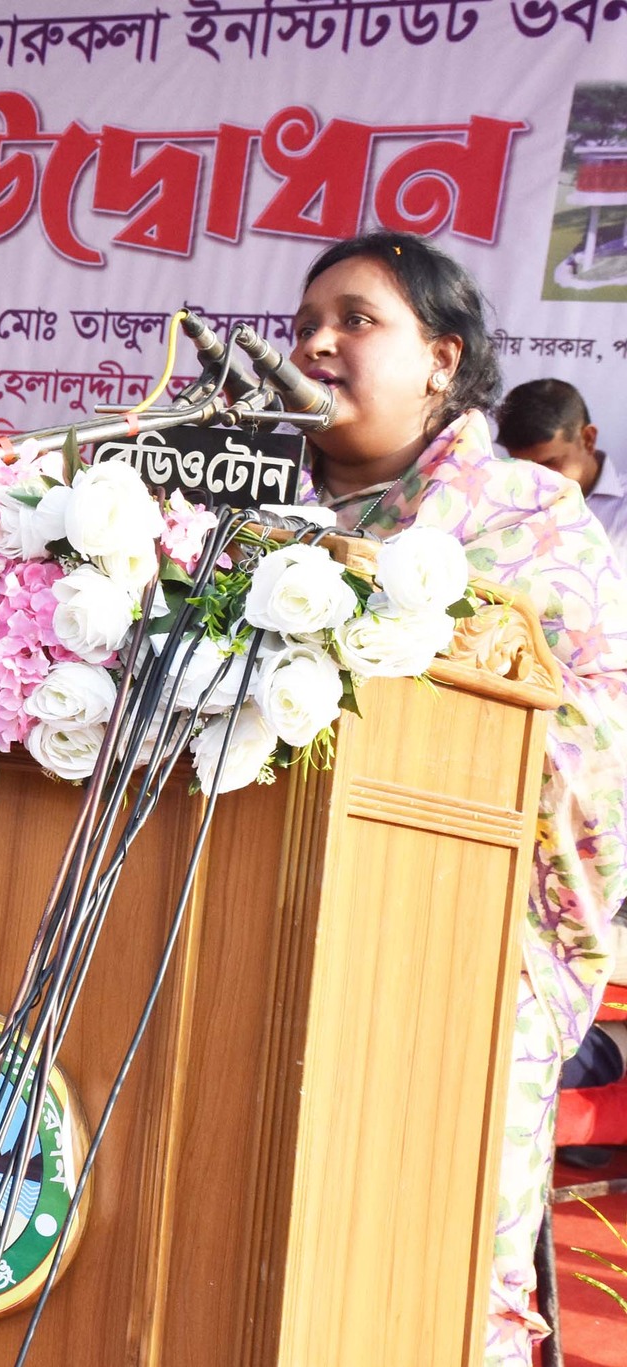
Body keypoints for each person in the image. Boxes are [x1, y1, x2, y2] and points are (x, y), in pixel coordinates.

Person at [288, 231, 627, 1365]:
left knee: (415, 1278)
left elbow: (588, 741)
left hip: (456, 961)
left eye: (355, 319)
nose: (316, 343)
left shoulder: (525, 519)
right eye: (306, 324)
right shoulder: (269, 532)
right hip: (275, 948)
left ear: (442, 358)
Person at [497, 378, 625, 560]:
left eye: (549, 462)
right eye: (524, 466)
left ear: (588, 439)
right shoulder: (501, 504)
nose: (537, 478)